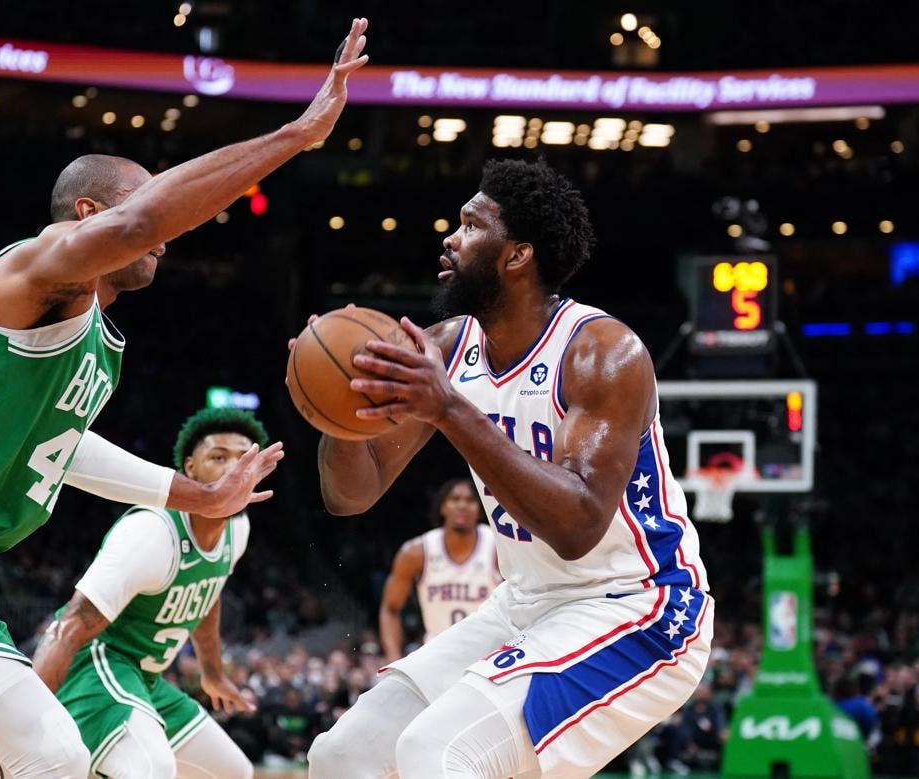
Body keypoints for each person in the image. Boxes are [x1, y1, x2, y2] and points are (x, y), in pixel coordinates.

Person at [0, 18, 369, 779]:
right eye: (145, 202)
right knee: (52, 750)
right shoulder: (35, 269)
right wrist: (297, 135)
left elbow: (63, 450)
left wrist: (199, 495)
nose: (165, 231)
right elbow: (147, 219)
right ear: (91, 217)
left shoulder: (93, 336)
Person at [306, 158, 713, 778]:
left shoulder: (601, 353)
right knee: (344, 755)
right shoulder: (446, 347)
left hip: (641, 607)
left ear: (518, 255)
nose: (450, 237)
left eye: (471, 225)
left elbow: (577, 527)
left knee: (438, 751)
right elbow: (350, 496)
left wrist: (449, 408)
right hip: (524, 602)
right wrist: (342, 410)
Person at [32, 408, 267, 779]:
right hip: (93, 664)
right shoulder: (153, 532)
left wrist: (212, 673)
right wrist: (27, 720)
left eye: (244, 460)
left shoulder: (237, 531)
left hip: (144, 679)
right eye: (219, 458)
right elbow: (71, 626)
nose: (234, 471)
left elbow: (207, 595)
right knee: (152, 769)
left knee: (233, 772)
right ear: (190, 469)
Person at [379, 477, 500, 664]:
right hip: (437, 654)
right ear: (442, 507)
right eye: (455, 499)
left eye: (470, 500)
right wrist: (392, 656)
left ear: (479, 508)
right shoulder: (416, 553)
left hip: (489, 654)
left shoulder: (498, 546)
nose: (462, 505)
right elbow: (390, 608)